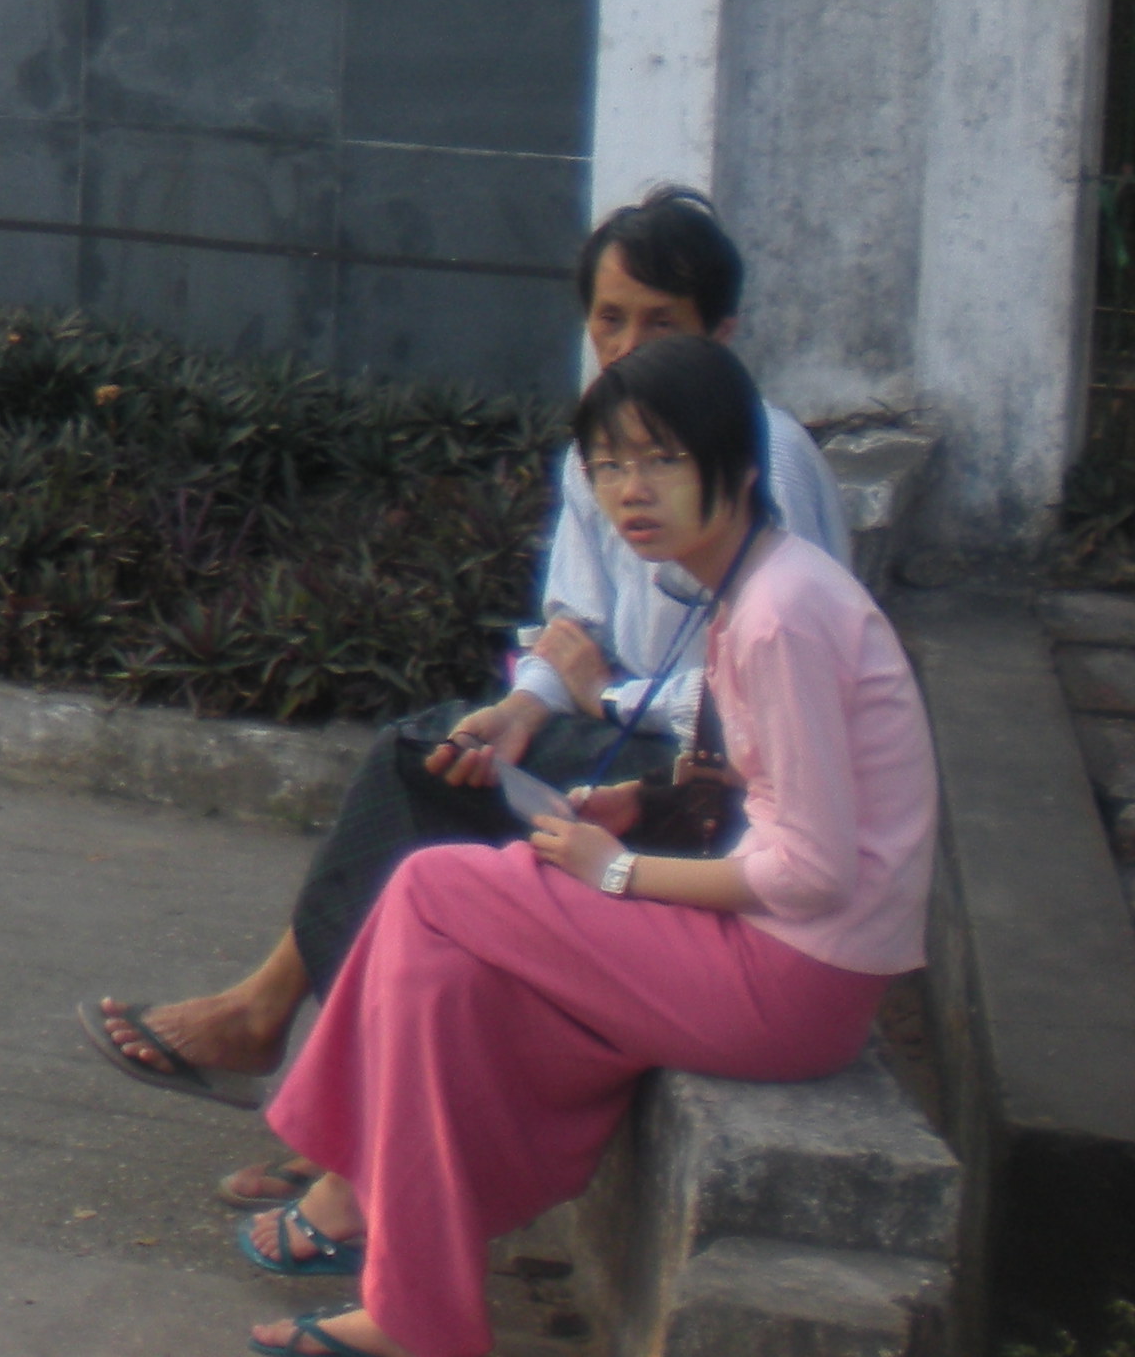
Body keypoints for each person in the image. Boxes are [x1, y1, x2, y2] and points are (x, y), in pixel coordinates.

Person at [79, 190, 849, 1203]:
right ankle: (328, 1086)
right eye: (608, 320)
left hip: (721, 797)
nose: (626, 347)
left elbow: (771, 696)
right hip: (623, 738)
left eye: (660, 324)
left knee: (417, 774)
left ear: (723, 334)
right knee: (448, 753)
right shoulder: (601, 449)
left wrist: (603, 695)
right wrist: (525, 709)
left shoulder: (763, 456)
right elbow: (569, 629)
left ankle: (300, 1060)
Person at [230, 333, 935, 1357]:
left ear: (738, 468)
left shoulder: (780, 614)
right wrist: (643, 804)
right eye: (609, 466)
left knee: (433, 887)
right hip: (797, 968)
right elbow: (783, 785)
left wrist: (613, 871)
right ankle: (408, 1293)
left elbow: (816, 870)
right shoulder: (753, 591)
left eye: (661, 461)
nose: (629, 492)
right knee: (447, 975)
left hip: (793, 983)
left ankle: (344, 1172)